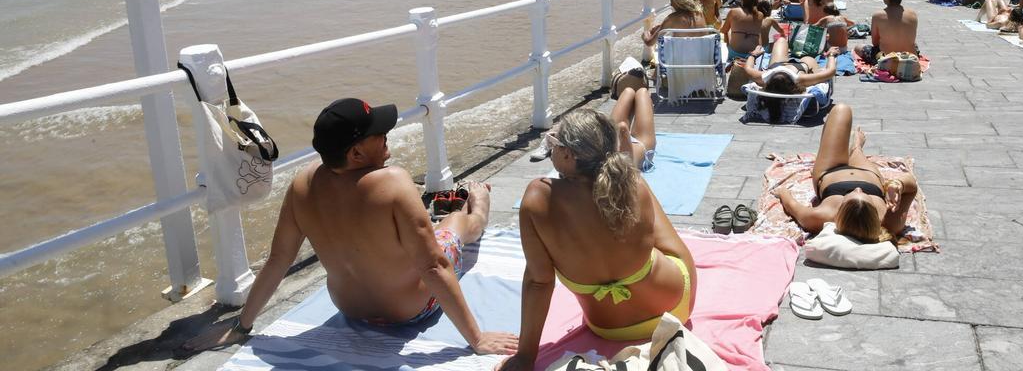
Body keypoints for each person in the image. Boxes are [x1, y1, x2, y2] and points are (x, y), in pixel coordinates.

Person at [184, 99, 518, 354]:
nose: (386, 135)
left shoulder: (301, 185)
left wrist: (241, 326)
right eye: (379, 134)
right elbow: (434, 267)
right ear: (356, 153)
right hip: (411, 311)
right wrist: (476, 338)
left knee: (421, 236)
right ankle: (478, 201)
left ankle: (455, 209)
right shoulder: (393, 182)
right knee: (454, 226)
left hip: (351, 310)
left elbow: (278, 260)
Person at [500, 110, 696, 369]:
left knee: (631, 189)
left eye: (553, 142)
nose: (550, 147)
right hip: (675, 308)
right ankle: (626, 152)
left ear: (567, 154)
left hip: (609, 328)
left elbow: (539, 282)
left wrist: (525, 357)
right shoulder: (633, 184)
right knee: (636, 185)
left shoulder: (538, 198)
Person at [774, 103, 919, 242]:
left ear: (840, 212)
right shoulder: (890, 222)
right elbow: (912, 186)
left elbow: (790, 203)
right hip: (868, 175)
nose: (858, 188)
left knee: (841, 109)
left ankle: (849, 148)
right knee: (856, 151)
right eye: (865, 195)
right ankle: (856, 147)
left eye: (852, 193)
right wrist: (897, 184)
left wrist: (781, 192)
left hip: (829, 170)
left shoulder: (819, 218)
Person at [854, 0, 919, 65]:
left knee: (858, 47)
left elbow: (875, 43)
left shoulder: (878, 15)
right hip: (910, 57)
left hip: (886, 59)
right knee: (913, 44)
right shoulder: (913, 14)